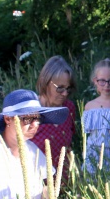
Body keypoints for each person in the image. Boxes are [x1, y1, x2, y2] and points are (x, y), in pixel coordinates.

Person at [30, 56, 77, 188]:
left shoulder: (69, 108)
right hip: (36, 184)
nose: (65, 93)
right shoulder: (31, 110)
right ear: (46, 82)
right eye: (60, 88)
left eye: (68, 88)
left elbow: (69, 144)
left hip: (65, 183)